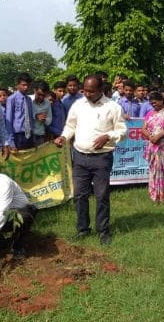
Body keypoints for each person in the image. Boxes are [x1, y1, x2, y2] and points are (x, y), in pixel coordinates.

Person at [54, 75, 126, 245]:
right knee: (79, 195)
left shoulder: (113, 107)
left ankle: (103, 231)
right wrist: (64, 137)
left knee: (101, 196)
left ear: (100, 90)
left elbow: (123, 131)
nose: (87, 94)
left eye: (91, 91)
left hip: (101, 159)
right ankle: (83, 229)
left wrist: (108, 136)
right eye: (85, 90)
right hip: (80, 157)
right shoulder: (78, 105)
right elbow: (70, 126)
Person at [141, 91, 164, 203]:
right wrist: (150, 136)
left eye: (155, 102)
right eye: (152, 103)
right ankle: (156, 194)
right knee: (154, 170)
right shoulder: (150, 114)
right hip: (153, 145)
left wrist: (159, 136)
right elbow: (143, 128)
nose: (154, 105)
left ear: (161, 100)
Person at [6, 72, 35, 151]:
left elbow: (30, 117)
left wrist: (33, 134)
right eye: (23, 85)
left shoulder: (29, 99)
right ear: (17, 85)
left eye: (28, 85)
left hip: (29, 134)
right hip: (18, 136)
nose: (26, 87)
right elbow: (9, 120)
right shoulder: (11, 99)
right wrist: (11, 141)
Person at [30, 80, 52, 146]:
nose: (41, 97)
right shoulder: (28, 100)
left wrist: (44, 119)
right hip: (28, 135)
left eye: (44, 95)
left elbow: (49, 120)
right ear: (35, 90)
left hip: (40, 135)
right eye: (39, 94)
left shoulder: (47, 103)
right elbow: (23, 117)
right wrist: (35, 116)